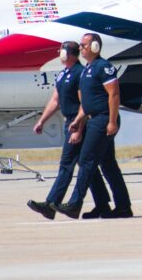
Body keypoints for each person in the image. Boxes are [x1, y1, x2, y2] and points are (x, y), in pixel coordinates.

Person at [26, 41, 113, 220]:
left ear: (68, 53)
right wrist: (42, 121)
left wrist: (78, 129)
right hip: (71, 123)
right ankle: (103, 204)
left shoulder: (80, 73)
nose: (59, 53)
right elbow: (55, 100)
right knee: (87, 165)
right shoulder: (63, 74)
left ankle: (51, 203)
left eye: (61, 50)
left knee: (68, 164)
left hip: (79, 123)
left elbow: (84, 104)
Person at [52, 33, 132, 219]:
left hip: (103, 119)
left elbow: (114, 95)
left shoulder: (104, 68)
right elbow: (86, 101)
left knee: (87, 160)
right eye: (80, 45)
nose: (81, 48)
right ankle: (119, 207)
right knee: (108, 165)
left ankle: (74, 204)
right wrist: (79, 120)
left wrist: (112, 121)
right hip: (93, 118)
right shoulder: (88, 69)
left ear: (95, 46)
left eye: (84, 45)